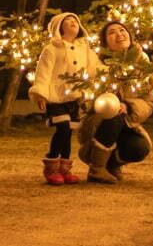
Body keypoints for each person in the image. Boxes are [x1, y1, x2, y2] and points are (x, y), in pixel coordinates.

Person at [77, 20, 153, 184]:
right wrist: (108, 103)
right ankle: (96, 168)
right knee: (112, 114)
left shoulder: (142, 63)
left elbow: (148, 101)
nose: (119, 34)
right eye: (112, 32)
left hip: (126, 121)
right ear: (105, 42)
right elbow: (84, 98)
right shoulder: (95, 64)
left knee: (139, 147)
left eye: (122, 30)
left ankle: (111, 166)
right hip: (98, 123)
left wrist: (127, 105)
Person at [29, 12, 100, 185]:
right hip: (55, 97)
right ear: (60, 27)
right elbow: (43, 72)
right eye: (68, 22)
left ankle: (65, 168)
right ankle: (52, 165)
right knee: (61, 127)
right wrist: (41, 94)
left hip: (74, 98)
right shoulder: (52, 49)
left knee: (68, 132)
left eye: (75, 21)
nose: (73, 24)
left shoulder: (85, 49)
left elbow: (95, 68)